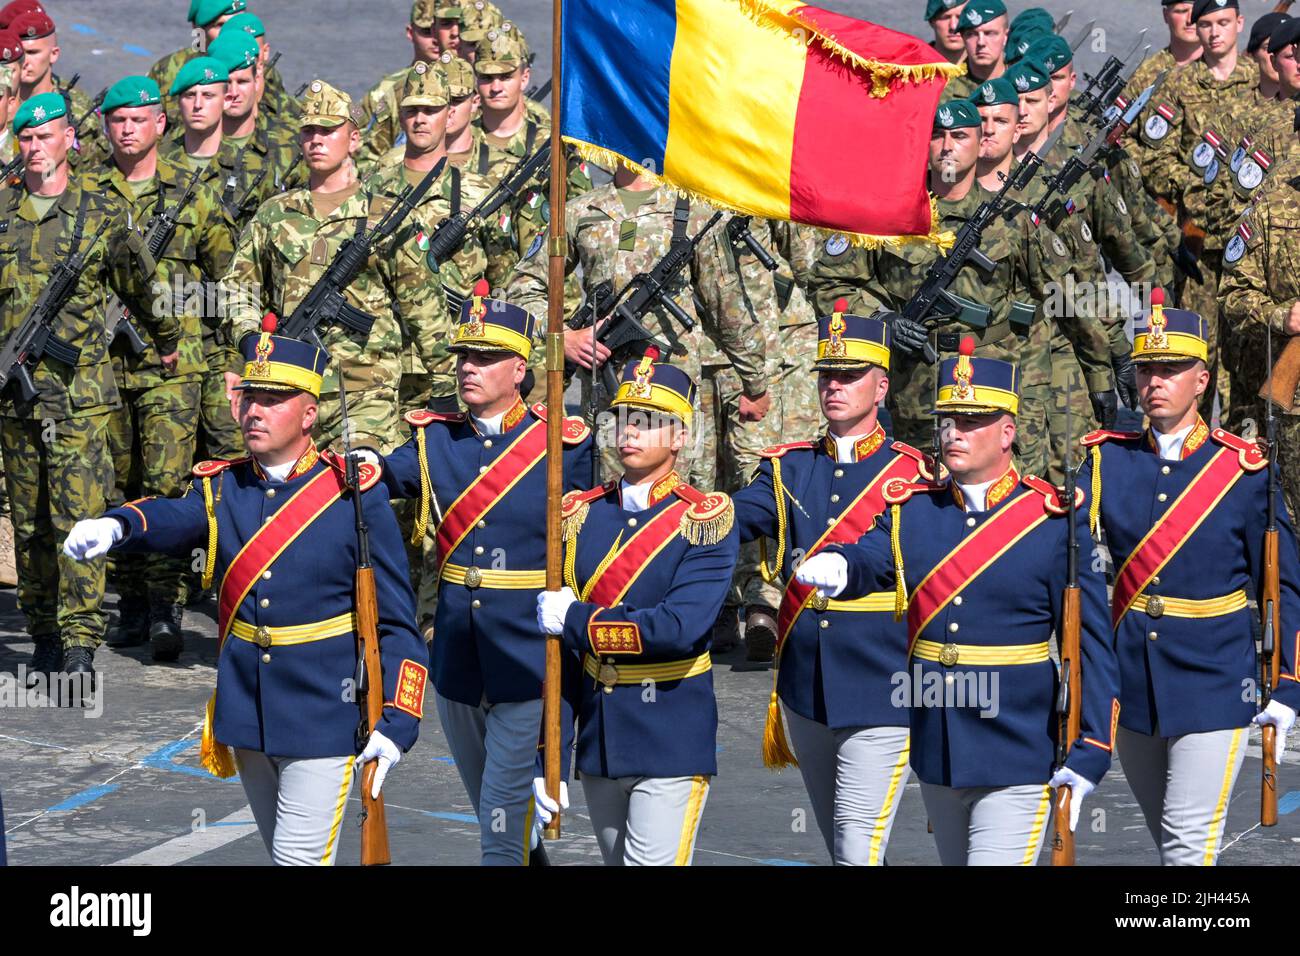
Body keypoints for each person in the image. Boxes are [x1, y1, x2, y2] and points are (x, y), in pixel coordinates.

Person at [64, 321, 427, 866]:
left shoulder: (353, 496)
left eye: (274, 399)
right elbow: (174, 515)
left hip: (322, 714)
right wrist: (118, 526)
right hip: (247, 712)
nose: (255, 410)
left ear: (310, 414)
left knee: (297, 861)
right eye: (249, 397)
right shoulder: (224, 486)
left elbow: (395, 622)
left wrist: (399, 720)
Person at [794, 342, 1120, 865]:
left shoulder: (1052, 520)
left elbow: (1091, 649)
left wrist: (1091, 751)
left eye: (971, 422)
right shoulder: (914, 509)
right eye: (948, 421)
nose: (954, 434)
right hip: (939, 745)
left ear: (1007, 432)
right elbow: (875, 554)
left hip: (1017, 744)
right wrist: (839, 564)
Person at [1079, 292, 1300, 865]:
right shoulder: (1107, 459)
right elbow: (1064, 555)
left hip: (1214, 682)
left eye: (1171, 369)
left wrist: (1289, 685)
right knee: (1170, 845)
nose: (1155, 380)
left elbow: (1284, 583)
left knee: (1185, 849)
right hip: (1133, 685)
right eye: (1147, 369)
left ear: (1201, 380)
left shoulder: (1243, 469)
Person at [381, 286, 592, 865]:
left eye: (484, 359)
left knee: (499, 830)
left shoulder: (565, 444)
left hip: (527, 654)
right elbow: (384, 476)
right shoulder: (436, 438)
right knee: (500, 815)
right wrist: (360, 463)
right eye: (462, 358)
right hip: (456, 656)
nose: (467, 369)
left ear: (520, 370)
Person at [810, 98, 1110, 480]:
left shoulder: (1011, 220)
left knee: (1004, 502)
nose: (948, 146)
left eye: (959, 136)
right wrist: (883, 321)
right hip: (920, 390)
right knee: (924, 500)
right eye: (937, 136)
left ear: (980, 142)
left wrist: (1101, 370)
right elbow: (829, 282)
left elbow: (1065, 296)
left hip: (995, 387)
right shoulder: (885, 218)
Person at [731, 304, 933, 864]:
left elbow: (898, 556)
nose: (834, 386)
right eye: (827, 376)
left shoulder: (912, 474)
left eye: (849, 376)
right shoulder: (790, 467)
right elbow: (739, 515)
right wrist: (680, 515)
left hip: (880, 683)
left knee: (855, 848)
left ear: (882, 386)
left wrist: (849, 565)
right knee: (844, 843)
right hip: (804, 686)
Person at [535, 354, 738, 865]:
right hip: (601, 738)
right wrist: (551, 756)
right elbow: (559, 660)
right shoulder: (581, 515)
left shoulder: (702, 519)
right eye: (625, 418)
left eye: (649, 422)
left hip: (669, 734)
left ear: (678, 437)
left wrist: (579, 619)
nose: (632, 431)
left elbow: (678, 627)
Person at [84, 75, 235, 658]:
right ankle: (131, 604)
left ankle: (167, 607)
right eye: (117, 120)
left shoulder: (190, 193)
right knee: (116, 483)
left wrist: (214, 349)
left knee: (167, 486)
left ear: (159, 125)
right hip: (105, 365)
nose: (127, 129)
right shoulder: (91, 195)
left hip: (175, 367)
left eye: (138, 119)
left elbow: (223, 282)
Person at [222, 79, 444, 453]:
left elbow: (423, 305)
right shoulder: (275, 213)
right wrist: (248, 338)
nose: (316, 139)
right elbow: (236, 286)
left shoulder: (384, 215)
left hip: (364, 389)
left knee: (362, 488)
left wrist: (445, 385)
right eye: (308, 130)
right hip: (288, 389)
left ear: (354, 139)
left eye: (328, 130)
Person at [0, 93, 136, 686]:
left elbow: (141, 284)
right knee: (29, 524)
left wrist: (163, 343)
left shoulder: (100, 211)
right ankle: (44, 633)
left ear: (69, 139)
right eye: (25, 139)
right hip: (15, 399)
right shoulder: (3, 212)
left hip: (79, 398)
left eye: (45, 136)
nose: (35, 148)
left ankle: (81, 637)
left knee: (77, 518)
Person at [1135, 0, 1258, 420]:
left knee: (1248, 364)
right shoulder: (1179, 84)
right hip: (1200, 241)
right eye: (1205, 24)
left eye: (1223, 23)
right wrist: (1195, 184)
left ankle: (1246, 456)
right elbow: (1152, 156)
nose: (1214, 33)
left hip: (1252, 248)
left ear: (1239, 24)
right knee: (1195, 355)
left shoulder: (1260, 80)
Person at [364, 61, 488, 411]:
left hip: (457, 363)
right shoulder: (371, 189)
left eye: (431, 110)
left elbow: (503, 278)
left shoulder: (476, 194)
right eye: (412, 110)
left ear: (449, 115)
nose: (421, 119)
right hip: (386, 364)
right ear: (401, 117)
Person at [356, 0, 460, 169]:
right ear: (410, 32)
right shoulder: (384, 91)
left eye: (446, 27)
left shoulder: (476, 86)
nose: (436, 38)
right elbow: (359, 144)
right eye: (427, 31)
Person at [9, 6, 107, 167]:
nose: (25, 62)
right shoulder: (3, 108)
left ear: (53, 54)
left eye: (33, 52)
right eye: (20, 53)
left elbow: (96, 171)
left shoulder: (78, 111)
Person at [944, 0, 1010, 100]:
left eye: (989, 33)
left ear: (1006, 36)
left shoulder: (1023, 87)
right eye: (972, 34)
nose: (981, 42)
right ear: (963, 37)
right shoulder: (945, 92)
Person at [926, 0, 968, 67]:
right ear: (931, 21)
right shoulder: (913, 69)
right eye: (945, 17)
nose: (953, 27)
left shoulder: (987, 71)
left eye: (960, 17)